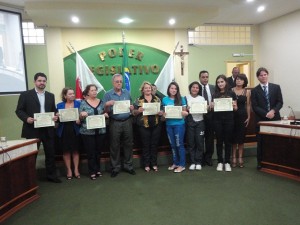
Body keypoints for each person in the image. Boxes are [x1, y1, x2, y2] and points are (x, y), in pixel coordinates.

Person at [15, 72, 61, 183]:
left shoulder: (50, 95)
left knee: (50, 154)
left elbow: (53, 110)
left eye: (44, 81)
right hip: (32, 129)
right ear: (35, 81)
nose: (42, 83)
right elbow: (19, 110)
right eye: (39, 81)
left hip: (48, 129)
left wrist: (56, 116)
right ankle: (30, 179)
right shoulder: (25, 95)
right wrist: (27, 119)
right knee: (32, 156)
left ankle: (51, 176)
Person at [103, 74, 135, 178]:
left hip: (127, 121)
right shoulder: (108, 94)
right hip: (115, 122)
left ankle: (128, 166)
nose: (119, 83)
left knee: (128, 144)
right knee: (114, 145)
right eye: (117, 81)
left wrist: (131, 108)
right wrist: (107, 105)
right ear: (113, 82)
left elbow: (132, 107)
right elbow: (105, 111)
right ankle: (115, 168)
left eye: (121, 81)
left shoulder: (126, 92)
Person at [251, 67, 283, 169]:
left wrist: (273, 111)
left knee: (275, 141)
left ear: (267, 75)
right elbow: (255, 106)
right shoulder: (255, 90)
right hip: (261, 119)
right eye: (261, 75)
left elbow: (280, 102)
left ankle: (276, 162)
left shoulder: (276, 87)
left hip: (275, 118)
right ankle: (260, 162)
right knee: (261, 142)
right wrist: (266, 114)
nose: (263, 76)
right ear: (258, 77)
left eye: (265, 74)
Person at [79, 84, 108, 180]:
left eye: (95, 90)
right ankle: (92, 171)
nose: (94, 92)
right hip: (87, 132)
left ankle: (98, 170)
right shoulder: (83, 103)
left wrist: (106, 114)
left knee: (98, 152)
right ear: (87, 92)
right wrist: (82, 115)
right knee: (90, 152)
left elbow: (105, 112)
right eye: (92, 90)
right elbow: (79, 118)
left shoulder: (102, 102)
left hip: (100, 132)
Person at [133, 81, 163, 172]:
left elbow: (162, 110)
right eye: (146, 88)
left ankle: (154, 164)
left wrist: (161, 112)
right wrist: (138, 110)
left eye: (149, 88)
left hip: (156, 125)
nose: (148, 89)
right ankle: (146, 164)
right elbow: (133, 112)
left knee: (154, 145)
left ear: (152, 89)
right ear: (142, 90)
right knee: (145, 145)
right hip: (143, 126)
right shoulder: (138, 100)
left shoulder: (157, 99)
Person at [212, 74, 237, 172]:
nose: (220, 84)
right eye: (218, 82)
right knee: (219, 141)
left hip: (229, 120)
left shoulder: (232, 93)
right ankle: (219, 162)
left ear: (226, 82)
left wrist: (234, 105)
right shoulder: (215, 94)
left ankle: (227, 162)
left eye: (222, 81)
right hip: (217, 120)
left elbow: (236, 108)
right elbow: (213, 109)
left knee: (228, 141)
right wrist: (212, 106)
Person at [162, 81, 188, 173]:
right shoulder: (164, 99)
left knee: (179, 144)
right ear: (169, 89)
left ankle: (182, 165)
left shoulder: (181, 99)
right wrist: (163, 115)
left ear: (177, 90)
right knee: (173, 145)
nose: (173, 90)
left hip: (179, 125)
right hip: (169, 125)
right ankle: (176, 163)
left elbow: (185, 113)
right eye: (172, 88)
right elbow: (163, 117)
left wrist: (184, 113)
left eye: (175, 88)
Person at [56, 87, 81, 179]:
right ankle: (69, 170)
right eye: (70, 94)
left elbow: (83, 116)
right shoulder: (59, 105)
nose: (72, 95)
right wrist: (57, 116)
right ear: (65, 95)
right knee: (66, 151)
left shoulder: (79, 103)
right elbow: (56, 119)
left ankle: (76, 170)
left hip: (75, 130)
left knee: (75, 150)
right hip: (64, 130)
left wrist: (80, 119)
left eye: (73, 93)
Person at [232, 74, 251, 168]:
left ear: (244, 81)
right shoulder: (231, 90)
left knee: (241, 138)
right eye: (237, 79)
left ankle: (240, 157)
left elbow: (248, 105)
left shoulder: (247, 91)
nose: (238, 81)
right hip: (232, 116)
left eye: (241, 80)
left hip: (242, 116)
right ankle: (234, 157)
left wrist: (249, 117)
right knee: (233, 138)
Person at [185, 81, 206, 171]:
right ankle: (193, 162)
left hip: (200, 122)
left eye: (197, 88)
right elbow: (184, 110)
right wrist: (186, 109)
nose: (195, 89)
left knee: (200, 142)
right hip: (190, 122)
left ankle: (198, 162)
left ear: (199, 89)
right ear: (190, 88)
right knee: (191, 143)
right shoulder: (185, 98)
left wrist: (206, 108)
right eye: (193, 87)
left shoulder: (202, 98)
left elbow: (205, 110)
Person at [199, 70, 215, 166]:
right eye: (203, 77)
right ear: (200, 78)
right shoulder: (196, 87)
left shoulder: (213, 87)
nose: (205, 79)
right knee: (199, 138)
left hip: (211, 116)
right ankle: (200, 158)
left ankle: (208, 158)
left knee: (209, 138)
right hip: (199, 116)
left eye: (206, 77)